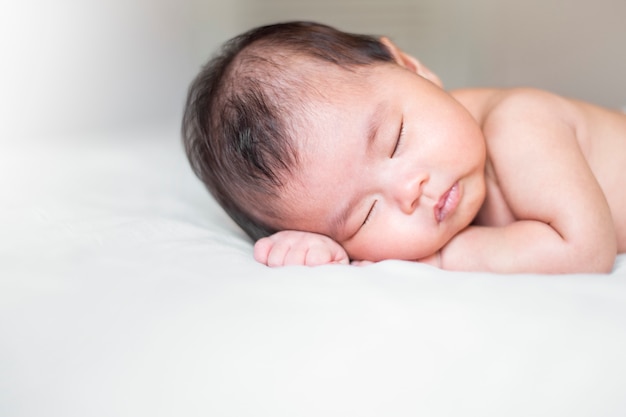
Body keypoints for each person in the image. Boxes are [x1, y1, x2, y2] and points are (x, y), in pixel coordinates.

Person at [182, 21, 626, 273]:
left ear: (412, 67)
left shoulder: (521, 125)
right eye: (364, 216)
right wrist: (325, 249)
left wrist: (439, 258)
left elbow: (585, 250)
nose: (407, 191)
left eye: (395, 139)